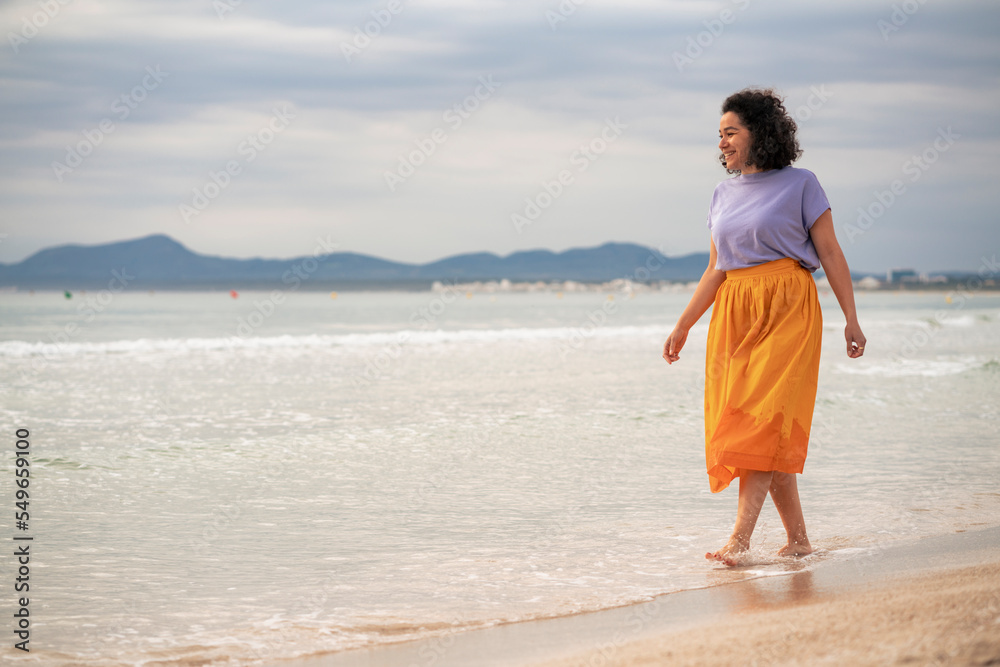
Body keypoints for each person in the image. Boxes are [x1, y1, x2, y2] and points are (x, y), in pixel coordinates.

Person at [662, 88, 866, 566]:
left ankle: (739, 540)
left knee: (761, 423)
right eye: (720, 135)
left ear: (761, 133)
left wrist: (851, 318)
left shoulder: (802, 184)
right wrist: (684, 324)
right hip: (735, 312)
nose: (722, 144)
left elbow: (831, 253)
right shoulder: (721, 194)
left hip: (788, 307)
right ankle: (798, 540)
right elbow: (717, 267)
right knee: (759, 425)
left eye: (731, 133)